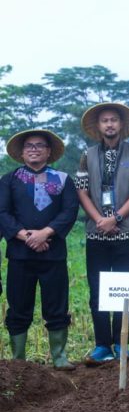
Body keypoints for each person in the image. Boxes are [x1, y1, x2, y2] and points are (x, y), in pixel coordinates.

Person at [76, 102, 129, 365]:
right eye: (105, 120)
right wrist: (100, 220)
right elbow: (82, 191)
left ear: (121, 125)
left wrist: (116, 217)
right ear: (98, 126)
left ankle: (121, 344)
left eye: (114, 120)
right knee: (96, 289)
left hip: (126, 231)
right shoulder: (88, 155)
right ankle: (101, 345)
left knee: (123, 289)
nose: (109, 124)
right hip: (97, 232)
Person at [0, 129, 78, 369]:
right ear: (22, 152)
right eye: (29, 146)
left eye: (39, 145)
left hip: (53, 255)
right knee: (19, 307)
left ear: (49, 151)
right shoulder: (9, 180)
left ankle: (59, 357)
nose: (34, 149)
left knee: (57, 306)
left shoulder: (63, 179)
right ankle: (18, 360)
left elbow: (69, 211)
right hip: (19, 256)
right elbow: (2, 212)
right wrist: (25, 236)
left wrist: (45, 233)